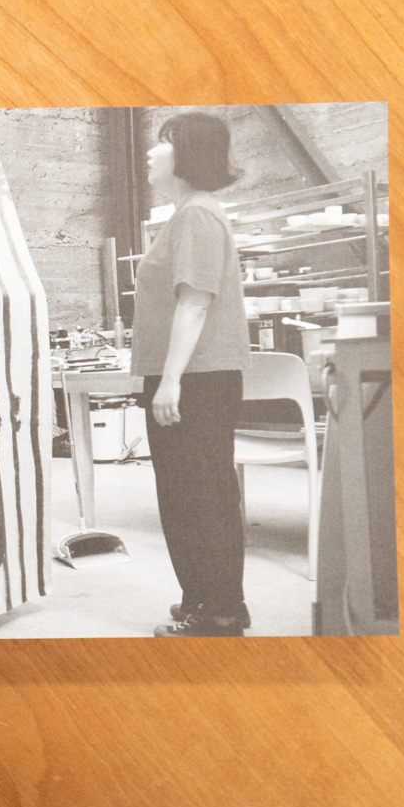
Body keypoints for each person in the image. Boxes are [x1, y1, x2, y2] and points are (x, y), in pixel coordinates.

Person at [131, 112, 251, 637]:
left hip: (196, 378)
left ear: (186, 156)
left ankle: (220, 613)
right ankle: (206, 598)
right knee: (186, 493)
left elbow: (196, 302)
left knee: (200, 494)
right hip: (188, 376)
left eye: (163, 143)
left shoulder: (199, 215)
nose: (152, 152)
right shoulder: (187, 214)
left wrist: (171, 380)